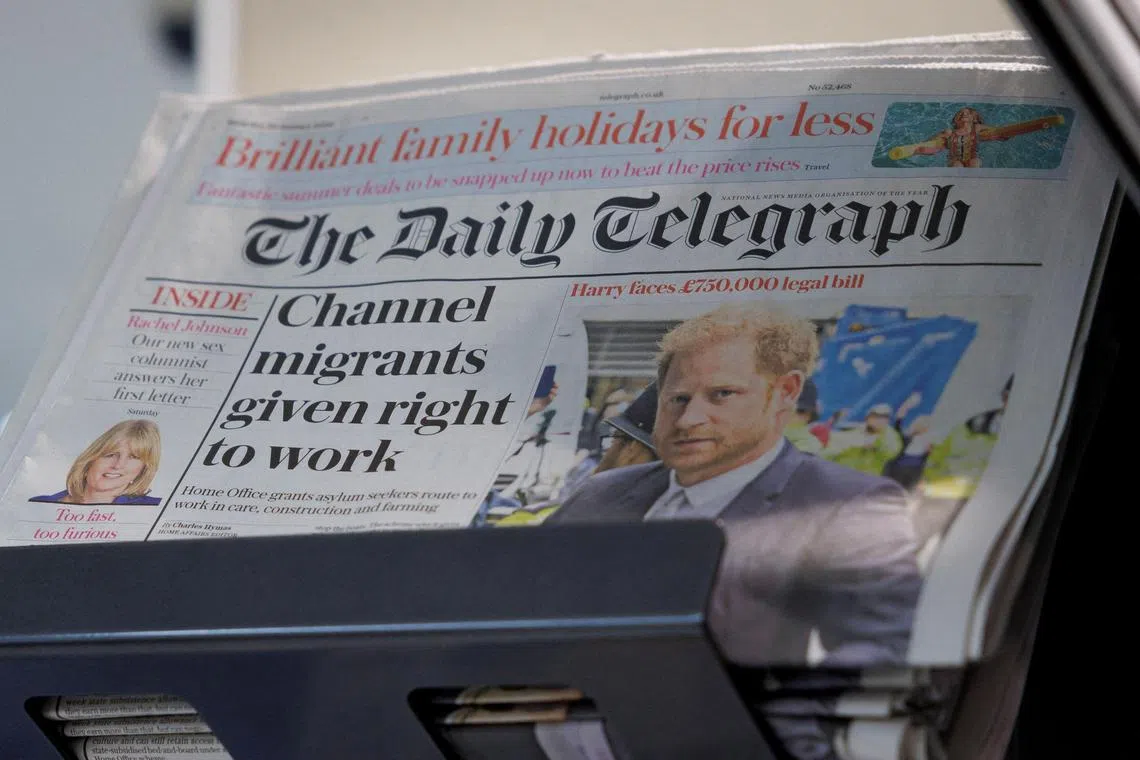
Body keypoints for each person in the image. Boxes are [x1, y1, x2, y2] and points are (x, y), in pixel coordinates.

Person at [547, 305, 922, 667]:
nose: (689, 419)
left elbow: (881, 653)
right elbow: (523, 594)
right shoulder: (602, 493)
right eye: (678, 398)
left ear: (786, 392)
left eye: (722, 394)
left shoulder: (846, 504)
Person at [30, 419, 162, 505]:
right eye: (110, 455)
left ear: (143, 469)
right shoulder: (40, 504)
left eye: (133, 457)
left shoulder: (153, 508)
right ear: (91, 459)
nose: (118, 465)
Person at [822, 403, 904, 475]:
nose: (879, 420)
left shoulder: (890, 435)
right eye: (876, 416)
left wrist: (876, 444)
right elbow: (832, 447)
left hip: (864, 479)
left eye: (884, 417)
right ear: (868, 417)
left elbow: (892, 452)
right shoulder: (855, 430)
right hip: (839, 473)